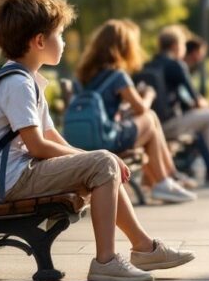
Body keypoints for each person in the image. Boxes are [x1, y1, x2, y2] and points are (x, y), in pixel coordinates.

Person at [0, 0, 193, 281]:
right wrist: (99, 159)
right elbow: (38, 146)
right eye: (60, 34)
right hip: (15, 182)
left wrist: (96, 157)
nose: (65, 41)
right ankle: (106, 261)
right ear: (40, 41)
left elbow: (51, 135)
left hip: (19, 175)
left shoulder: (27, 80)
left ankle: (144, 248)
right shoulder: (17, 84)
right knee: (103, 163)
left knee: (103, 162)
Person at [75, 19, 196, 204]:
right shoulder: (118, 75)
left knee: (147, 124)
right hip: (106, 140)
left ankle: (166, 180)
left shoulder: (86, 73)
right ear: (124, 47)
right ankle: (165, 181)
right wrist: (148, 94)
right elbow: (141, 108)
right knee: (149, 118)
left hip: (83, 139)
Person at [145, 26, 209, 185]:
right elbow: (197, 101)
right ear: (175, 46)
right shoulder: (176, 65)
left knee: (199, 123)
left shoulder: (149, 64)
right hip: (168, 124)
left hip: (150, 124)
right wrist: (207, 103)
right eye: (182, 46)